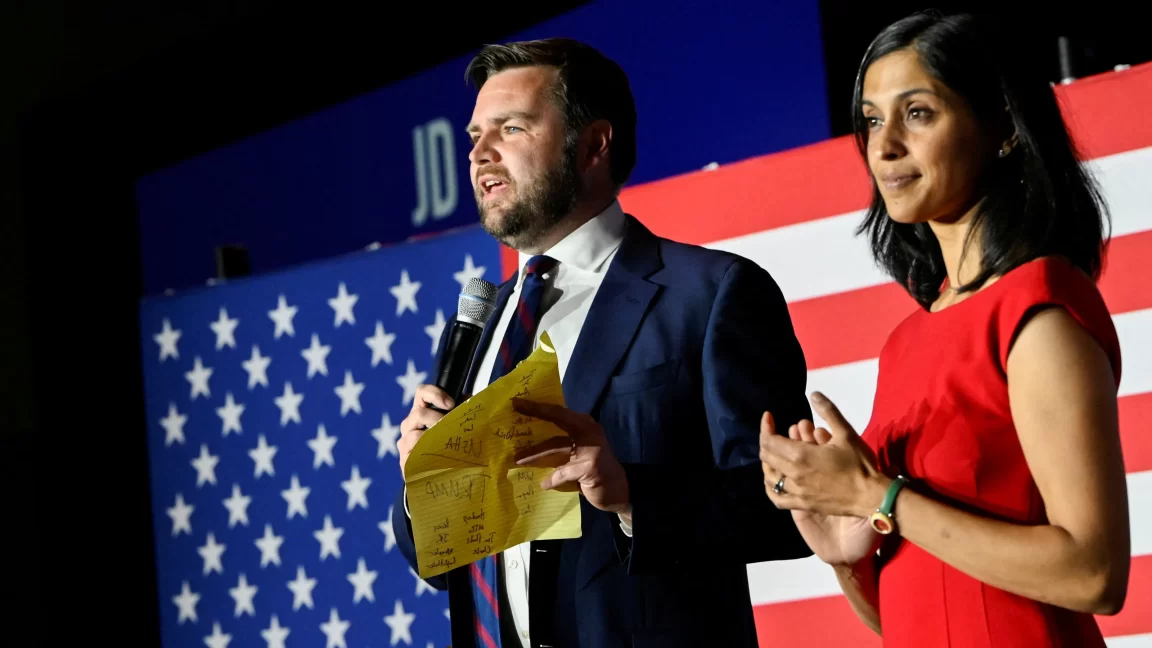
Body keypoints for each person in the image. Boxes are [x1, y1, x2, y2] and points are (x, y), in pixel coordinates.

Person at [391, 38, 812, 648]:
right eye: (475, 135)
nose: (480, 153)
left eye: (510, 128)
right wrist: (422, 486)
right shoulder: (481, 326)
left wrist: (633, 498)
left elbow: (787, 508)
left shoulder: (711, 294)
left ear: (594, 144)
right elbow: (445, 563)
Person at [757, 11, 1130, 647]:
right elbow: (917, 611)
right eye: (872, 120)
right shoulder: (906, 341)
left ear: (1004, 128)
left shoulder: (1036, 310)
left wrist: (880, 497)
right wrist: (846, 552)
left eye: (918, 113)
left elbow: (1095, 573)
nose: (884, 145)